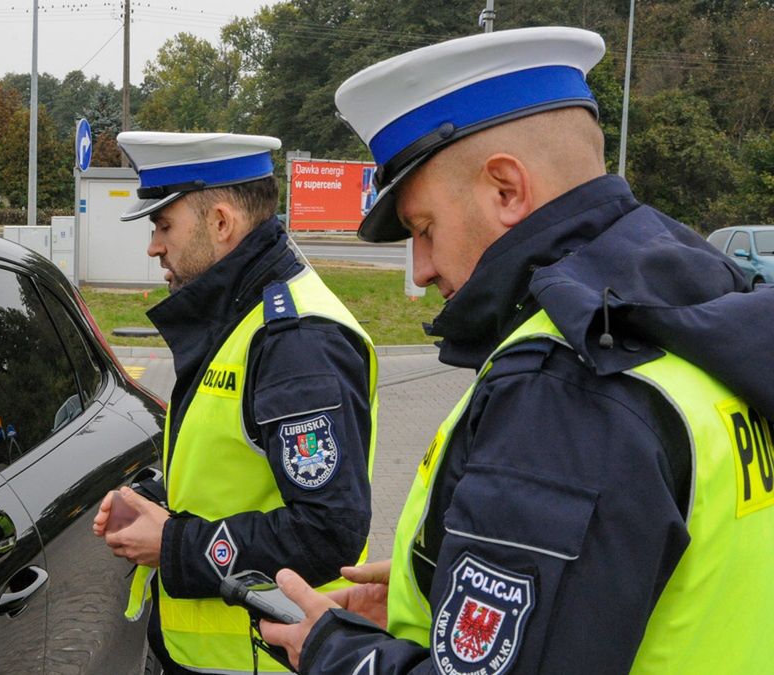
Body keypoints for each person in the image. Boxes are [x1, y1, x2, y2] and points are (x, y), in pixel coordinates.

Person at [259, 26, 774, 674]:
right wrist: (442, 585)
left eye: (424, 229)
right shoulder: (700, 318)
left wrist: (336, 652)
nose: (418, 269)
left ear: (506, 189)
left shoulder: (565, 385)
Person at [91, 132, 380, 674]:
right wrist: (154, 497)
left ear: (221, 223)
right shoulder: (238, 316)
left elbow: (328, 531)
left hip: (259, 659)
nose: (154, 246)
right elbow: (234, 464)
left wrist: (174, 543)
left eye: (163, 225)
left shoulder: (296, 340)